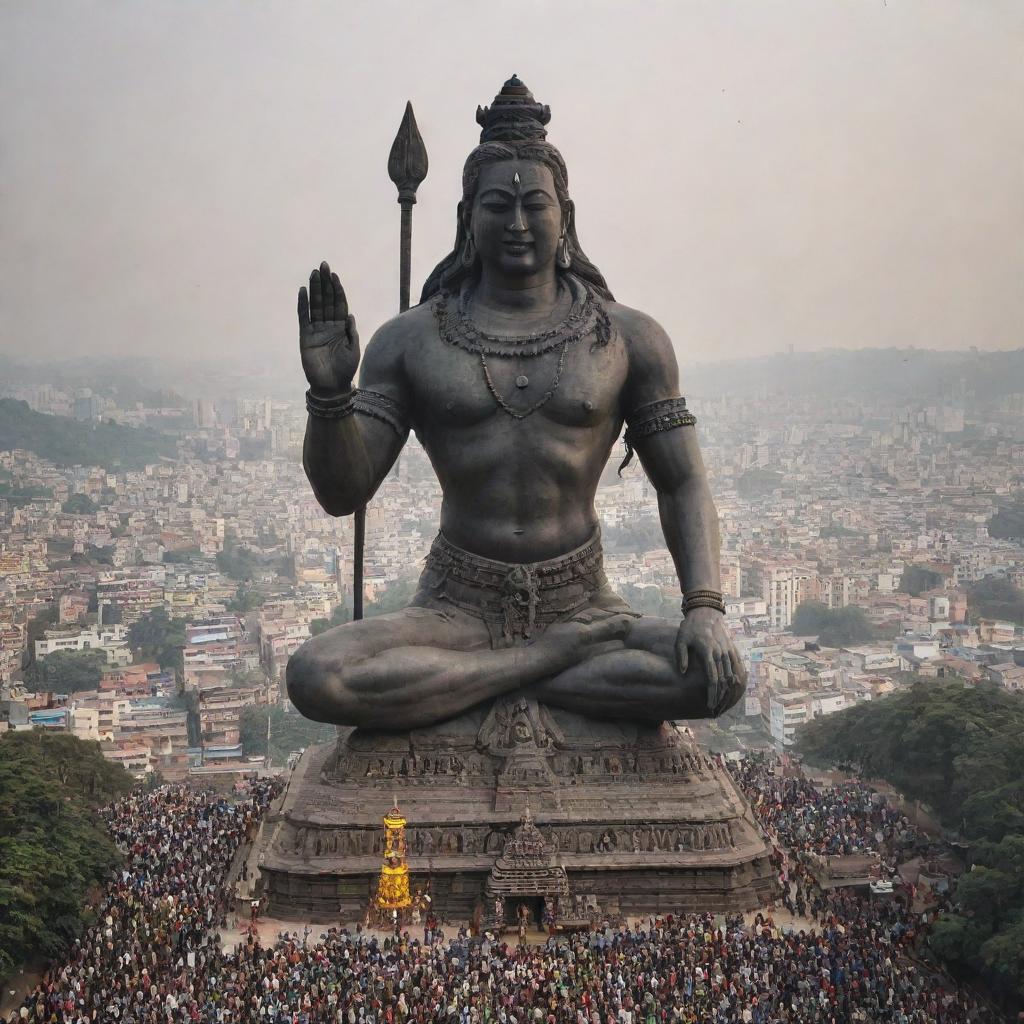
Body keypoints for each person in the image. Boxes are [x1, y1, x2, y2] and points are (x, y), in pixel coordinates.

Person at [287, 75, 745, 734]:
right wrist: (330, 394)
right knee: (314, 675)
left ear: (566, 215)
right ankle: (540, 666)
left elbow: (682, 480)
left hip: (582, 602)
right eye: (498, 205)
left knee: (715, 675)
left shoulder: (627, 338)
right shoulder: (413, 339)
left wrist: (705, 606)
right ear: (468, 218)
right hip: (454, 607)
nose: (520, 222)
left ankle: (470, 685)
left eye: (537, 203)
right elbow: (343, 490)